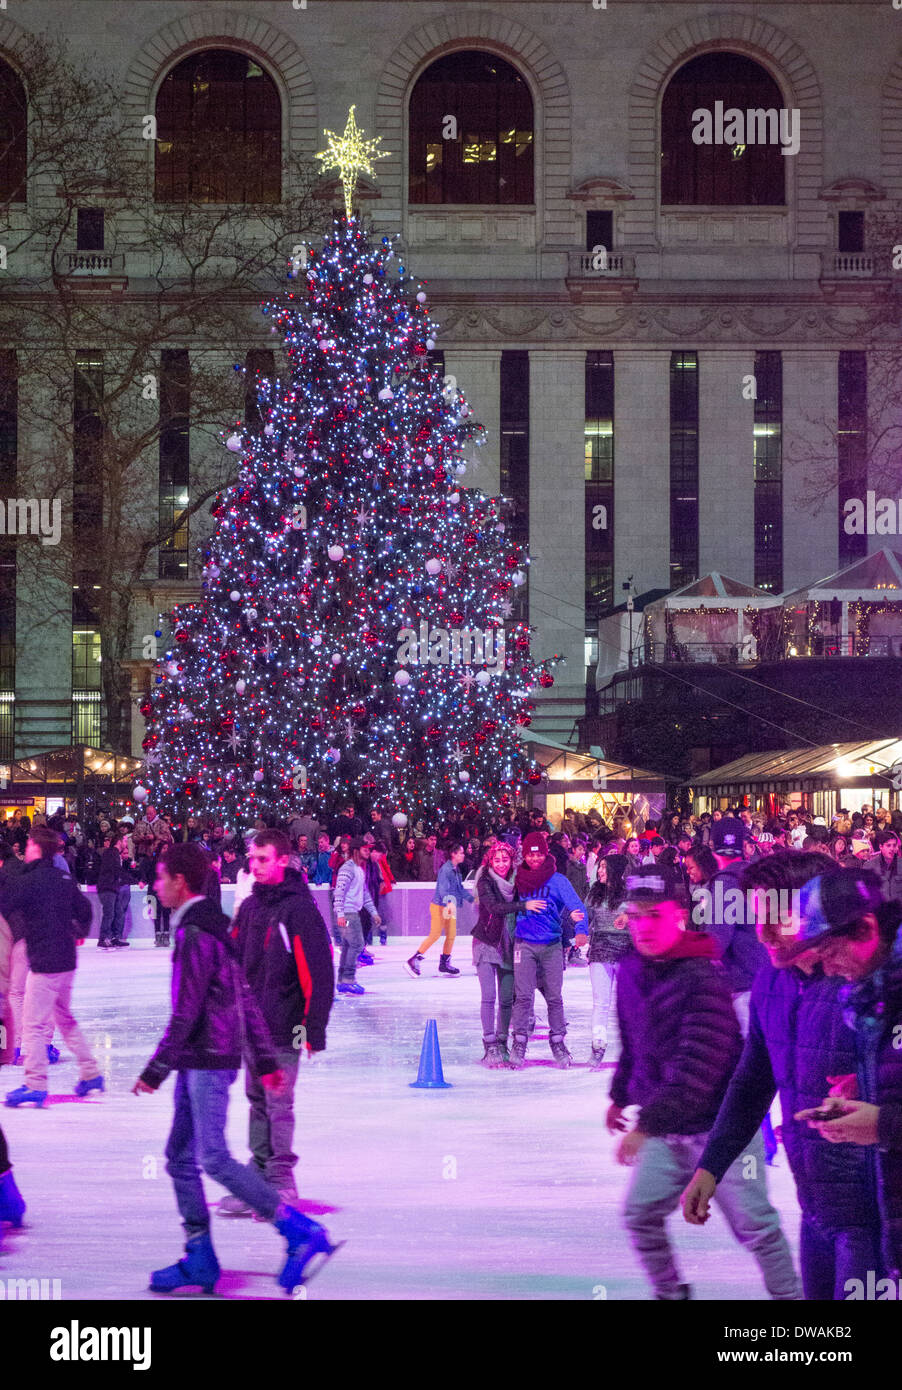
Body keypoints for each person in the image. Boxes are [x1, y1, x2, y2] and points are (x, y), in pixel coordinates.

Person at [134, 842, 339, 1294]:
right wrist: (263, 1059)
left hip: (208, 1058)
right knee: (179, 1159)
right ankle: (201, 1257)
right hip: (207, 1058)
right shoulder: (220, 921)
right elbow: (244, 993)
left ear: (179, 882)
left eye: (160, 876)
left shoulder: (197, 932)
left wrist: (154, 1069)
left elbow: (187, 1012)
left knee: (212, 1157)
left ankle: (298, 1230)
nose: (154, 885)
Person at [681, 853, 884, 1300]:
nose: (762, 933)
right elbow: (753, 1080)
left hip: (878, 1218)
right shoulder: (772, 982)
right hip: (817, 1210)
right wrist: (711, 1166)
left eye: (778, 918)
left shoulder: (872, 985)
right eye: (757, 917)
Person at [608, 863, 800, 1302]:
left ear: (680, 915)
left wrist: (644, 1125)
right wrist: (619, 1097)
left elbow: (699, 1068)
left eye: (654, 915)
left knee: (755, 1226)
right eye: (635, 916)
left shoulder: (703, 976)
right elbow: (634, 1044)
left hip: (720, 1131)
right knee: (640, 1213)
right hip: (667, 1127)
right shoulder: (633, 970)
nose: (643, 927)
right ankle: (671, 1294)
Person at [788, 870, 902, 1282]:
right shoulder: (877, 996)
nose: (830, 969)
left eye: (832, 951)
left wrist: (881, 1123)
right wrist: (867, 1094)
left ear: (868, 927)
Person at [219, 830, 334, 1215]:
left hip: (285, 1026)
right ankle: (258, 1177)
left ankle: (282, 1179)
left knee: (277, 1103)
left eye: (262, 859)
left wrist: (312, 1028)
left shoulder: (298, 909)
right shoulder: (252, 906)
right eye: (251, 859)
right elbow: (234, 959)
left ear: (283, 860)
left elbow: (317, 972)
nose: (253, 866)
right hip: (251, 1025)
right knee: (256, 1101)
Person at [2, 827, 101, 1108]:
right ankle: (91, 1073)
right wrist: (78, 929)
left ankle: (35, 1084)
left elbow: (6, 902)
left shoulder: (31, 880)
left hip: (45, 962)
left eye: (30, 844)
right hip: (67, 959)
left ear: (37, 849)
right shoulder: (63, 877)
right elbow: (85, 910)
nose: (27, 848)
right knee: (64, 1017)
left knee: (32, 1024)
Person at [507, 832, 587, 1069]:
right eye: (530, 855)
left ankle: (558, 1040)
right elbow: (498, 900)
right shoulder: (518, 878)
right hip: (524, 944)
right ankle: (519, 1041)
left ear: (545, 854)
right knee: (522, 996)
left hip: (551, 946)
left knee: (554, 997)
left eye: (539, 854)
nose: (534, 859)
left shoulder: (557, 880)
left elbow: (577, 906)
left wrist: (580, 929)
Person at [471, 842, 542, 1068]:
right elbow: (493, 907)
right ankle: (489, 1042)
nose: (501, 865)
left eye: (505, 860)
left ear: (511, 861)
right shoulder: (485, 880)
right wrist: (524, 906)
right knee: (489, 997)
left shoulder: (518, 881)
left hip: (511, 945)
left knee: (506, 999)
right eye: (497, 860)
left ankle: (502, 1042)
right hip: (487, 943)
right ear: (490, 861)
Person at [707, 817, 768, 1036]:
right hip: (770, 977)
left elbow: (716, 940)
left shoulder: (725, 881)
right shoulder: (760, 874)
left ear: (713, 846)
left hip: (743, 982)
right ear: (743, 844)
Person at [584, 853, 632, 1068]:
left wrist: (629, 918)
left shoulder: (630, 894)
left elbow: (643, 916)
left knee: (630, 1004)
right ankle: (598, 1045)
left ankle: (634, 1049)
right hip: (599, 953)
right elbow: (584, 919)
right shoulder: (594, 894)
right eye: (599, 866)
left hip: (625, 954)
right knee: (600, 1003)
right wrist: (577, 925)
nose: (600, 870)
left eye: (604, 867)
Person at [405, 842, 472, 979]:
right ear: (454, 854)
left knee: (451, 934)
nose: (463, 855)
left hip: (449, 906)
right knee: (435, 934)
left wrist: (473, 899)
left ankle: (444, 963)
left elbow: (459, 889)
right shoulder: (446, 870)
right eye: (461, 852)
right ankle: (413, 960)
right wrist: (448, 902)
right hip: (440, 906)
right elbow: (442, 890)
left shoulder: (456, 870)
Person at [332, 839, 381, 995]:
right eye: (364, 849)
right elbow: (339, 892)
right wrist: (340, 914)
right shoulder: (347, 869)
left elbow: (365, 893)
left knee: (349, 945)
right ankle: (348, 980)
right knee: (357, 944)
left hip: (353, 912)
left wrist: (373, 912)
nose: (367, 851)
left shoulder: (359, 870)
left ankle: (343, 981)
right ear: (355, 851)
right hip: (347, 914)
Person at [97, 828, 131, 949]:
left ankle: (115, 937)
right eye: (125, 841)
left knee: (119, 913)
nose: (126, 844)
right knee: (109, 914)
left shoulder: (114, 854)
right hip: (107, 887)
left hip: (112, 887)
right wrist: (132, 880)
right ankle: (103, 938)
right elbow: (116, 870)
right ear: (120, 841)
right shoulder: (112, 853)